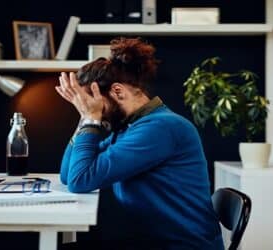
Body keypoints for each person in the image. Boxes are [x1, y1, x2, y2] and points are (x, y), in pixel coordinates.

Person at [55, 37, 224, 250]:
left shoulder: (159, 128)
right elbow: (68, 174)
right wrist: (84, 118)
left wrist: (90, 118)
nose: (94, 111)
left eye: (95, 104)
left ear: (117, 91)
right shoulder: (131, 127)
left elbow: (79, 180)